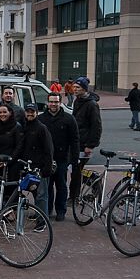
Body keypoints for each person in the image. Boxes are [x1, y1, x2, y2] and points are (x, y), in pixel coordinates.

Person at [38, 93, 79, 221]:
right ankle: (48, 209)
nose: (53, 104)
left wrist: (74, 159)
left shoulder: (69, 119)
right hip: (46, 160)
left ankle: (61, 210)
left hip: (62, 159)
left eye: (56, 102)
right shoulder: (41, 119)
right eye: (51, 102)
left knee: (61, 185)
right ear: (47, 103)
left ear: (60, 102)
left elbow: (75, 140)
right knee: (47, 186)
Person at [68, 76, 103, 203]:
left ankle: (74, 197)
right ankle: (93, 181)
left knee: (76, 171)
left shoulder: (92, 105)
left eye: (77, 87)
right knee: (74, 169)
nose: (74, 89)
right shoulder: (77, 101)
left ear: (84, 89)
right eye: (74, 87)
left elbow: (97, 126)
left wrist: (91, 145)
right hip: (76, 142)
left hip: (84, 144)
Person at [21, 103, 54, 232]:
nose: (30, 114)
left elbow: (49, 149)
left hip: (40, 168)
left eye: (32, 112)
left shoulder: (41, 128)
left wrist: (47, 168)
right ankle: (39, 214)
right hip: (30, 167)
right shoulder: (25, 126)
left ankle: (42, 222)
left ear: (36, 113)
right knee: (35, 193)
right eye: (28, 111)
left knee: (41, 195)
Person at [0, 104, 24, 203]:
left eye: (5, 112)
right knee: (0, 188)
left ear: (10, 113)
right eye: (0, 112)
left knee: (12, 188)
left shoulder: (17, 127)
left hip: (13, 163)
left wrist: (9, 161)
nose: (2, 114)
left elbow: (19, 146)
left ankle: (12, 210)